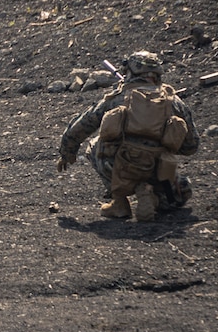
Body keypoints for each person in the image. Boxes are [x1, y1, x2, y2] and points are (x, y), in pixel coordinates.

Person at [57, 50, 199, 221]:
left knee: (94, 146)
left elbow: (82, 126)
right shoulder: (174, 102)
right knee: (180, 193)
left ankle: (119, 202)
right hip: (160, 171)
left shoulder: (117, 98)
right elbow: (191, 146)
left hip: (121, 166)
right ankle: (154, 195)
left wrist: (67, 152)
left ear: (130, 72)